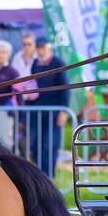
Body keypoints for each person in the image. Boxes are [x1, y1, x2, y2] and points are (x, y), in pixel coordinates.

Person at [29, 40, 68, 177]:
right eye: (38, 48)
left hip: (54, 111)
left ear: (49, 48)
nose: (41, 51)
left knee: (49, 145)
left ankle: (49, 176)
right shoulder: (35, 63)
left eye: (43, 48)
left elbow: (65, 88)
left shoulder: (58, 63)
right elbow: (32, 85)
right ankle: (40, 175)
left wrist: (63, 111)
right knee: (35, 145)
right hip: (37, 111)